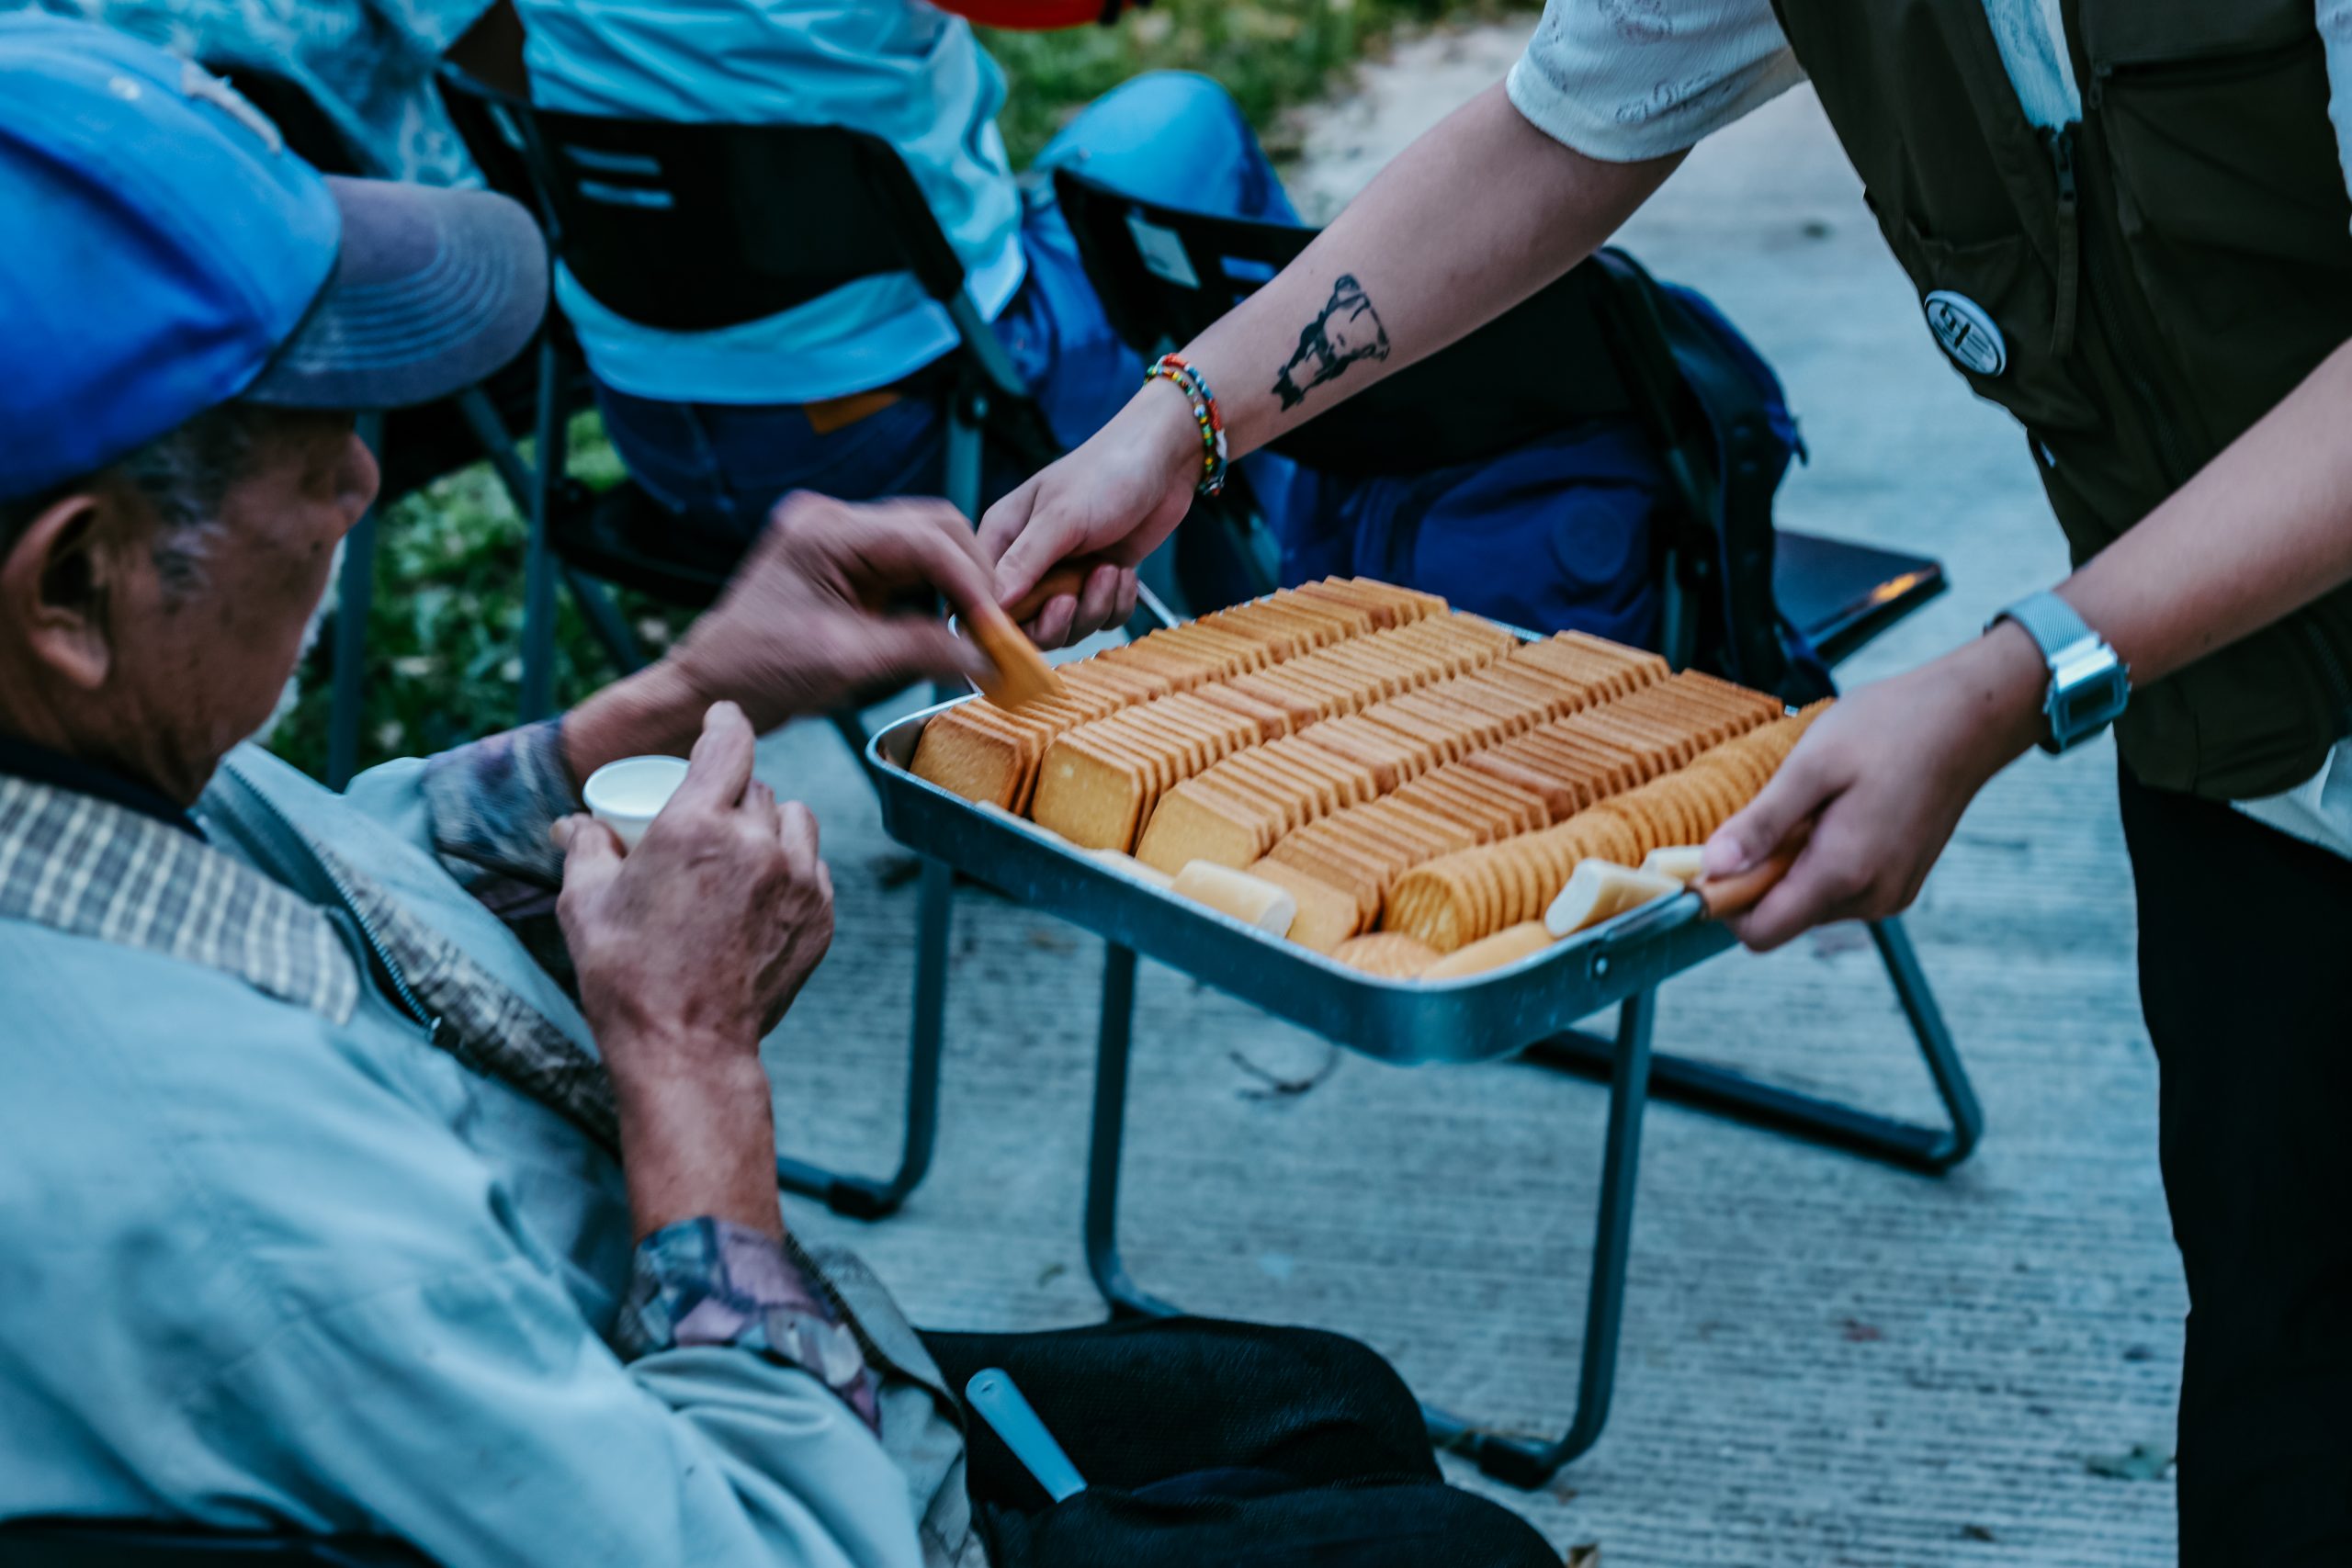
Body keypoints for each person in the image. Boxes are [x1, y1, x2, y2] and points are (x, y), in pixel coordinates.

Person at [0, 18, 1566, 1566]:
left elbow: (315, 869)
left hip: (694, 1389)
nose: (361, 478)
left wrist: (679, 699)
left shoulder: (70, 788)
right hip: (780, 1484)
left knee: (1326, 1405)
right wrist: (689, 1062)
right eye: (307, 430)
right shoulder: (244, 1200)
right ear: (74, 586)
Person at [979, 1, 2352, 1560]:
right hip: (2245, 760)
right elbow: (1562, 125)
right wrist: (1183, 425)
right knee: (2282, 1371)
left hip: (2141, 663)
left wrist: (2012, 675)